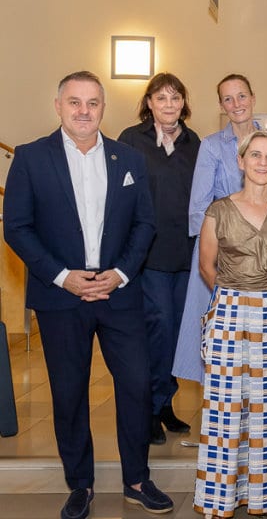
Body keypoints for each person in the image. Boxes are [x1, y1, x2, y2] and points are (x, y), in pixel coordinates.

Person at [3, 71, 173, 519]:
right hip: (61, 297)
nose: (84, 111)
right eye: (75, 102)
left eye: (93, 103)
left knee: (137, 384)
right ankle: (80, 484)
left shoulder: (128, 158)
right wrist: (62, 276)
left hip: (119, 294)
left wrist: (120, 273)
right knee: (69, 393)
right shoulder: (30, 157)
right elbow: (16, 227)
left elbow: (145, 224)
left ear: (103, 108)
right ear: (58, 105)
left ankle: (137, 480)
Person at [193, 130, 267, 517]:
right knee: (224, 407)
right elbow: (207, 265)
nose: (262, 162)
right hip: (228, 310)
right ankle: (220, 497)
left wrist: (261, 297)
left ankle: (266, 496)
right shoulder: (218, 211)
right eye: (255, 155)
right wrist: (235, 296)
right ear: (240, 161)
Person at [173, 74, 267, 384]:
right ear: (221, 105)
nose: (236, 104)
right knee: (221, 339)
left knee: (262, 342)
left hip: (264, 252)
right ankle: (222, 403)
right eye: (228, 98)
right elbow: (199, 207)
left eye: (241, 96)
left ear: (252, 98)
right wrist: (219, 252)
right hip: (221, 250)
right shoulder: (211, 146)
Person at [118, 72, 200, 445]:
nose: (169, 104)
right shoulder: (131, 140)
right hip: (148, 254)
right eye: (161, 98)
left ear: (184, 103)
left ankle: (165, 403)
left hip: (186, 254)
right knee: (159, 328)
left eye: (175, 97)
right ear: (149, 103)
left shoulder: (194, 142)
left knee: (179, 333)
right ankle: (149, 409)